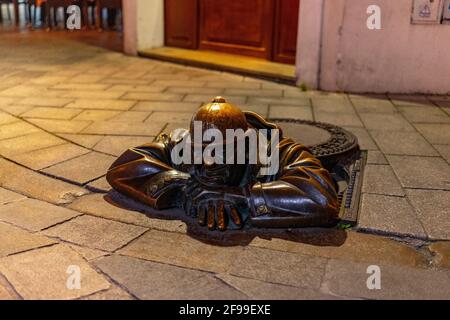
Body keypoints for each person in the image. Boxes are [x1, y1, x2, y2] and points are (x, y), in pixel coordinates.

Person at [106, 97, 340, 231]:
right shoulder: (182, 143)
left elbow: (321, 199)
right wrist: (185, 187)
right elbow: (123, 167)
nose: (207, 163)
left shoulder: (277, 150)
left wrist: (239, 196)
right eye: (200, 153)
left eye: (220, 153)